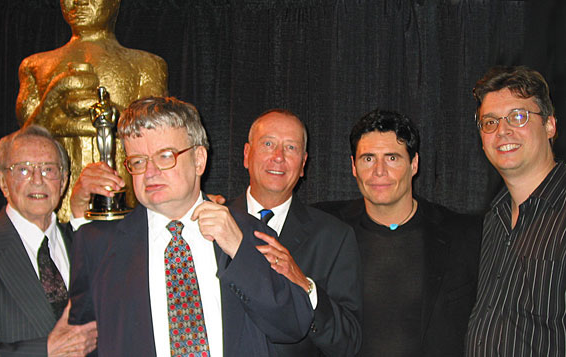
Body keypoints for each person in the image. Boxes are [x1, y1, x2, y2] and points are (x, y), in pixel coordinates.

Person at [67, 97, 313, 356]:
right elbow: (84, 342)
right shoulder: (98, 243)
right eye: (138, 161)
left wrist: (240, 252)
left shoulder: (250, 233)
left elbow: (292, 326)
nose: (150, 172)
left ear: (199, 160)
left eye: (165, 156)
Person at [316, 109, 481, 356]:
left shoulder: (464, 235)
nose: (379, 171)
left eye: (392, 158)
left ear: (414, 164)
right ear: (353, 166)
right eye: (368, 159)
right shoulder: (324, 227)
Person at [16, 0, 168, 222]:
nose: (78, 3)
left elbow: (155, 137)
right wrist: (54, 95)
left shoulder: (147, 66)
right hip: (56, 212)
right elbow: (23, 143)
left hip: (125, 208)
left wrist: (96, 117)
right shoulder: (35, 66)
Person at [227, 109, 363, 356]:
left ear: (303, 164)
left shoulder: (334, 237)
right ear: (247, 154)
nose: (278, 157)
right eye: (268, 144)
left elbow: (348, 343)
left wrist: (306, 288)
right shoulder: (213, 223)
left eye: (290, 148)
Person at [0, 125, 97, 356]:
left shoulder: (83, 243)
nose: (38, 180)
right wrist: (44, 351)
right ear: (2, 182)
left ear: (63, 182)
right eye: (23, 170)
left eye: (49, 169)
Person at [466, 66, 565, 356]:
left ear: (549, 125)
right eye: (490, 122)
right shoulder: (493, 219)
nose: (502, 130)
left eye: (518, 117)